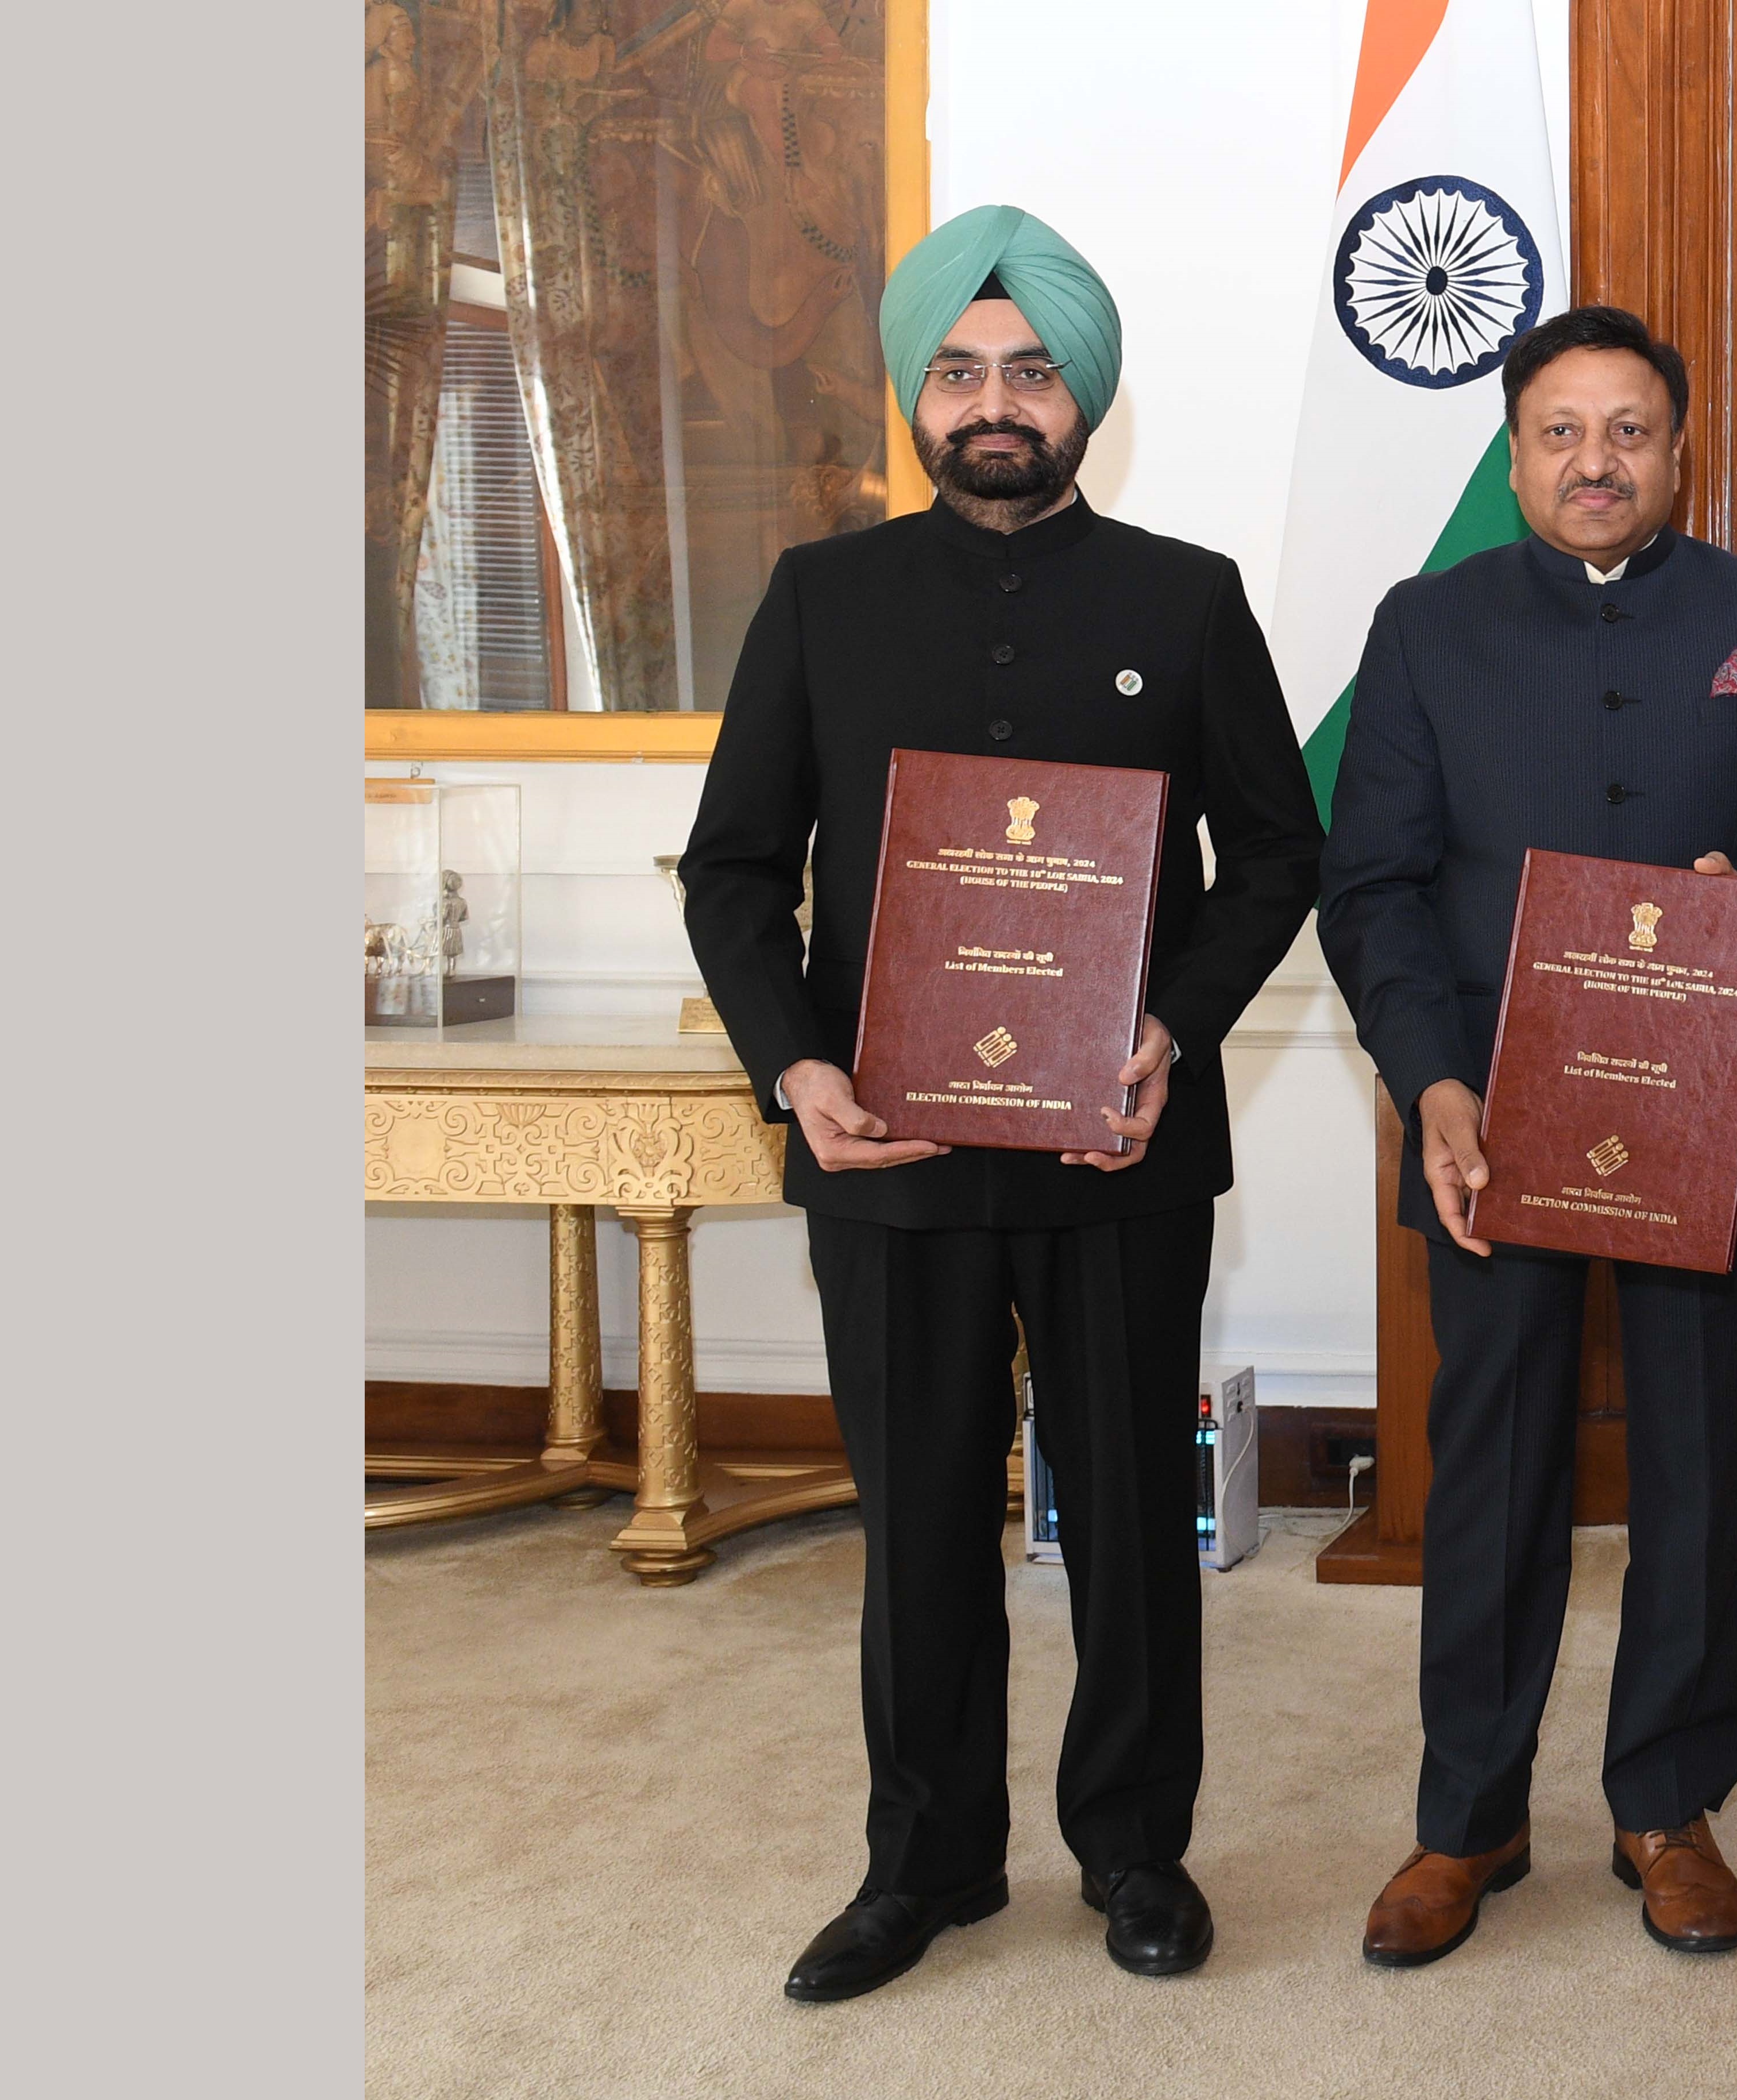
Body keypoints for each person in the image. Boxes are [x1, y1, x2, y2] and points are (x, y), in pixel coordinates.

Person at [675, 204, 1324, 2004]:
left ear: (1083, 397)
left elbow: (1279, 851)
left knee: (1131, 1517)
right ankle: (927, 1862)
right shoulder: (823, 599)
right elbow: (733, 871)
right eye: (958, 371)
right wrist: (795, 1067)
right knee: (925, 1518)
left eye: (1030, 370)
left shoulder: (1186, 600)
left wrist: (1177, 1027)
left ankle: (1134, 1851)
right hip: (889, 1155)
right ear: (913, 392)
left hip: (1118, 1149)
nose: (993, 402)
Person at [1313, 305, 1737, 1968]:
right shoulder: (1427, 629)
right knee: (1492, 1468)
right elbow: (1376, 891)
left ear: (1680, 451)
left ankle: (1670, 1807)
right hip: (1492, 1122)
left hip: (1704, 1116)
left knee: (1701, 1466)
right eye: (1561, 431)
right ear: (1513, 455)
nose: (1596, 461)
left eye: (1628, 430)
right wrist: (1431, 1083)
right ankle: (1469, 1817)